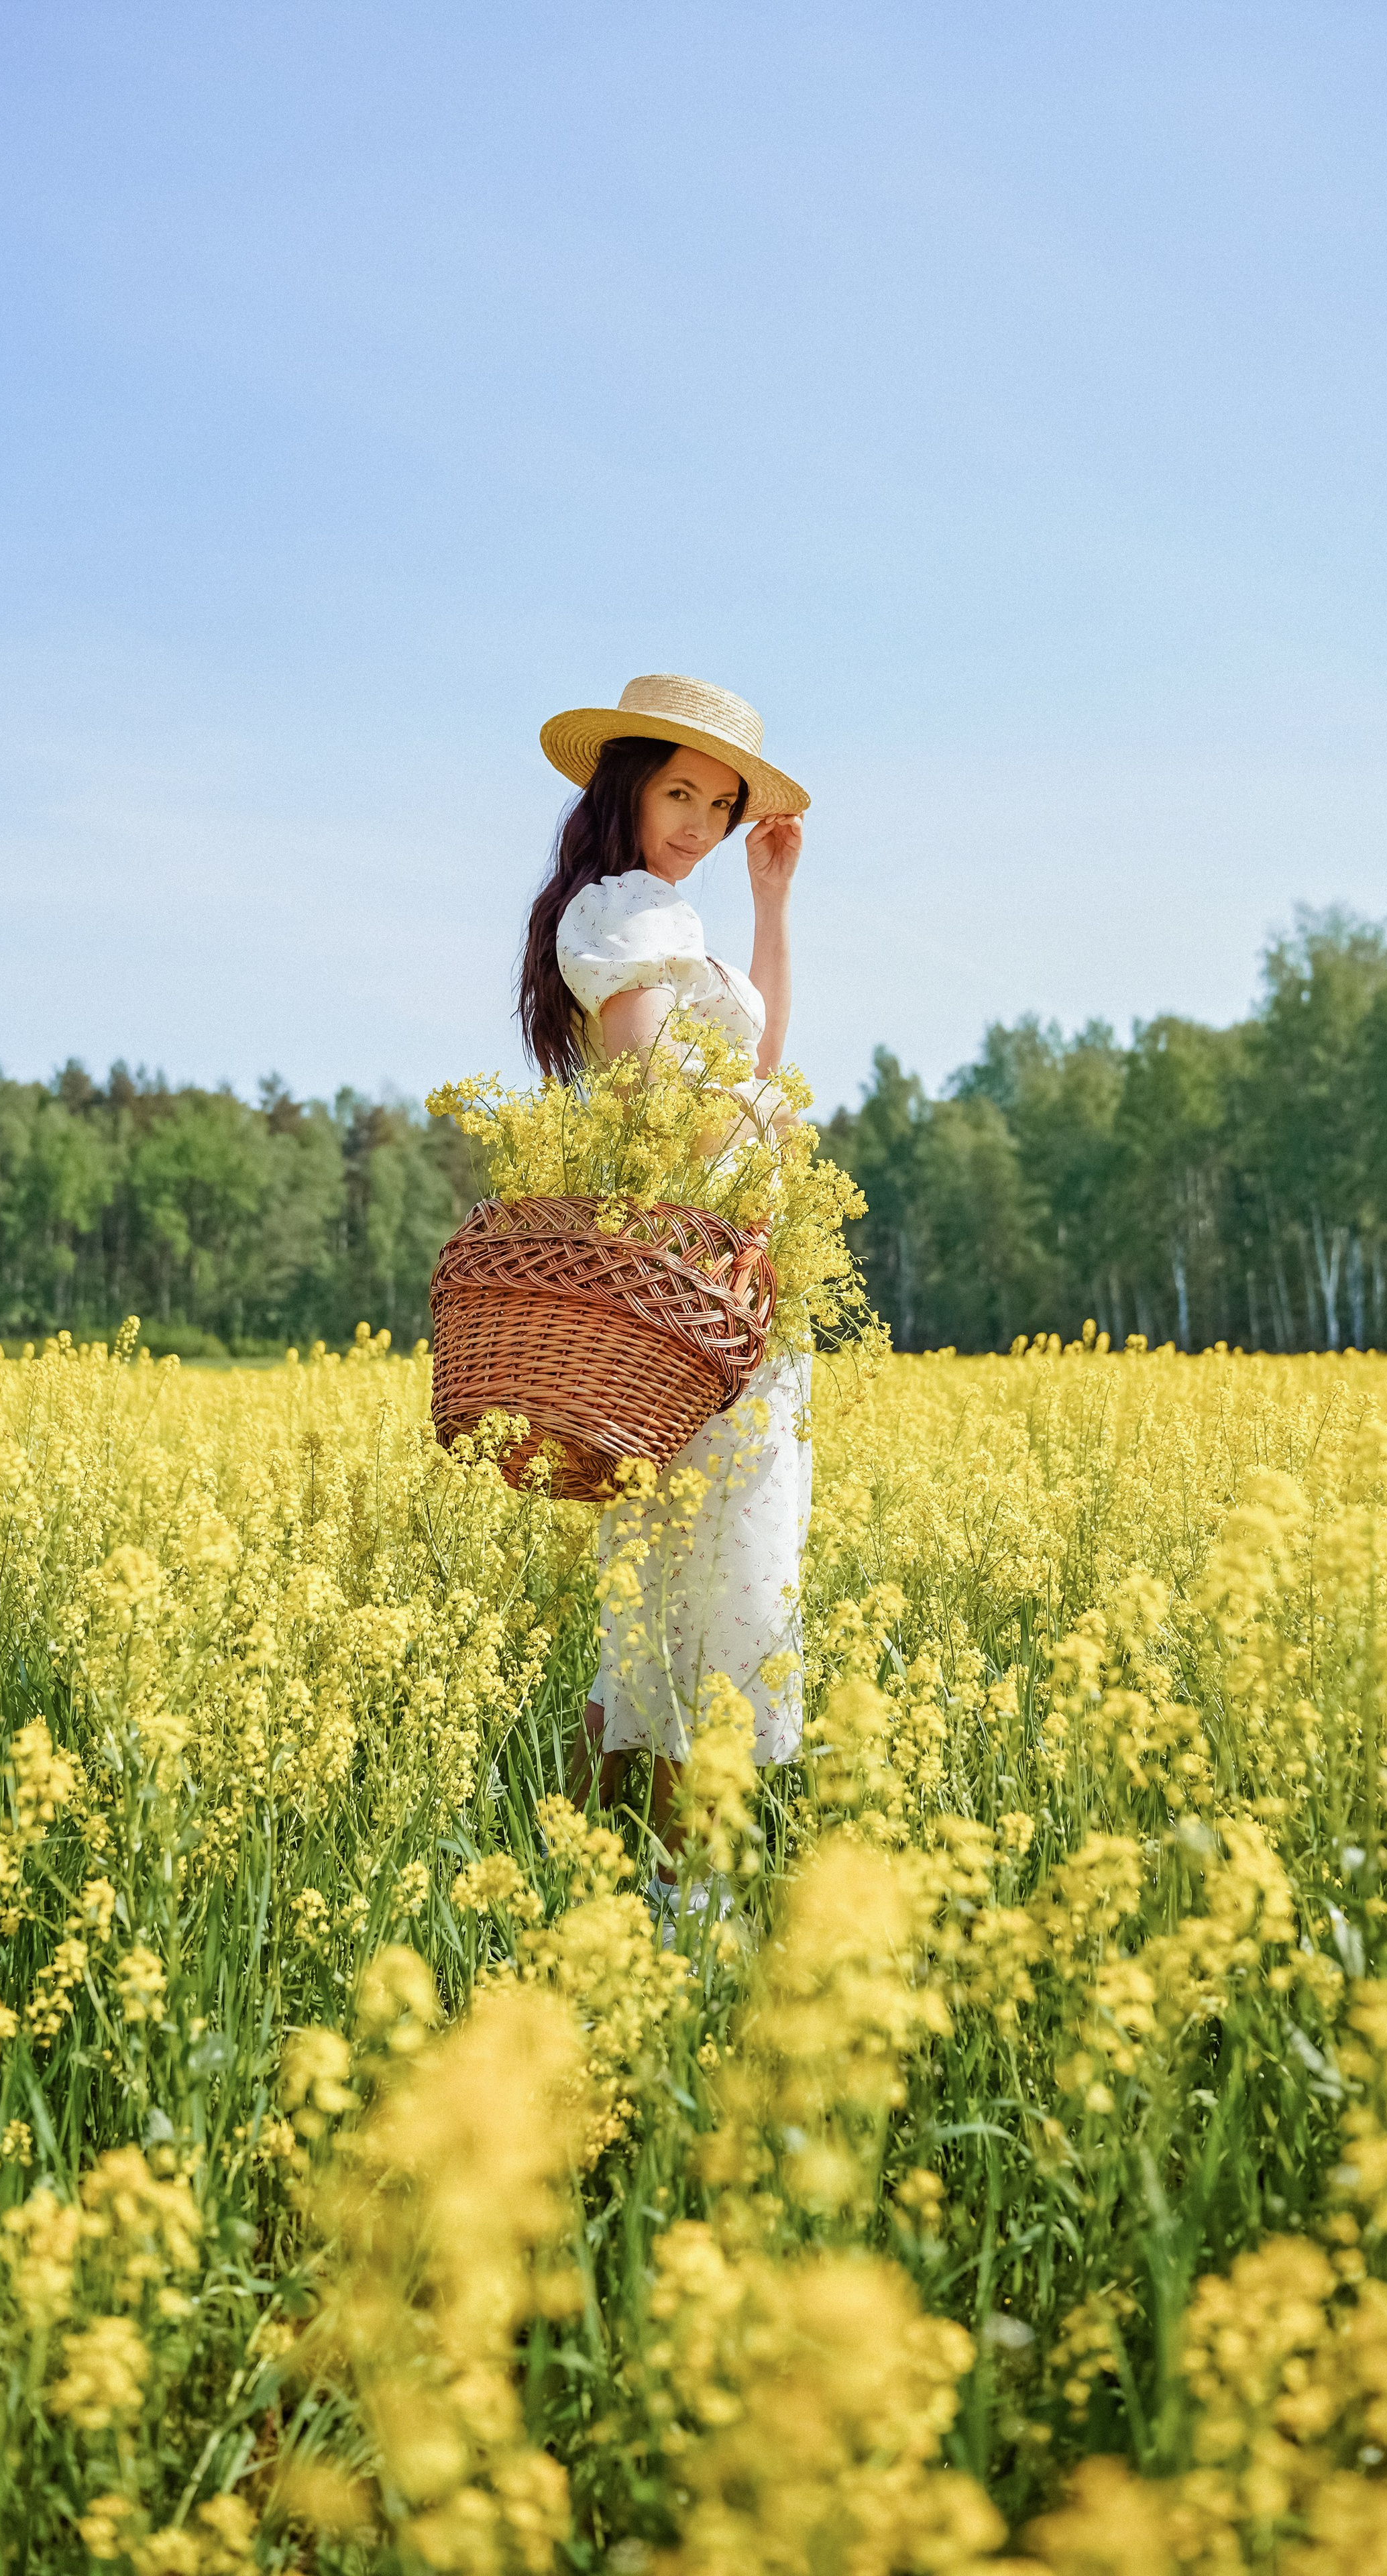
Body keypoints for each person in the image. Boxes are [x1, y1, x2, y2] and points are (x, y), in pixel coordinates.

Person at [518, 674, 812, 1896]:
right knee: (699, 1592)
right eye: (678, 792)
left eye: (721, 803)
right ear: (625, 788)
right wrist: (761, 1134)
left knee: (686, 1592)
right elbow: (655, 1107)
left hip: (726, 1290)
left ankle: (636, 1885)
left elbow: (760, 1055)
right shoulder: (619, 914)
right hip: (682, 1295)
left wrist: (771, 899)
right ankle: (669, 1897)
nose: (698, 821)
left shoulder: (675, 918)